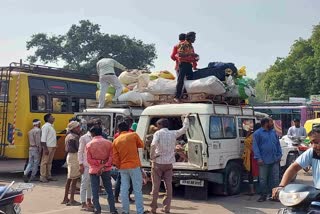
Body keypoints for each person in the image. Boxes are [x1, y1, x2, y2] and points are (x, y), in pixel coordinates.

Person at [149, 114, 190, 214]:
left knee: (156, 187)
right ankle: (166, 208)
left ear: (160, 125)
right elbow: (184, 129)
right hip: (169, 164)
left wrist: (152, 156)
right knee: (169, 187)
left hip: (158, 163)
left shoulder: (158, 134)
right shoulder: (173, 133)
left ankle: (153, 209)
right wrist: (186, 118)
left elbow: (153, 144)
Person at [272, 128, 320, 199]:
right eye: (311, 143)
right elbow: (294, 167)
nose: (313, 146)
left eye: (316, 142)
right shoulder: (312, 152)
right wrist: (281, 186)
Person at [113, 122, 148, 214]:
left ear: (119, 130)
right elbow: (141, 145)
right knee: (137, 190)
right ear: (128, 128)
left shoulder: (116, 141)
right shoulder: (133, 135)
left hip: (123, 167)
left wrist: (119, 166)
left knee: (124, 189)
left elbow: (115, 158)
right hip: (134, 165)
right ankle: (140, 211)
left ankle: (125, 211)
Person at [86, 126, 117, 214]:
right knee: (109, 190)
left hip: (94, 170)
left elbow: (89, 160)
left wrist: (99, 163)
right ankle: (112, 209)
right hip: (106, 169)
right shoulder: (108, 143)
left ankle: (97, 209)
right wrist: (104, 165)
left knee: (94, 190)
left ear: (93, 133)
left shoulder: (89, 144)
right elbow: (111, 157)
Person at [253, 118, 282, 202]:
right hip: (263, 161)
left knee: (275, 179)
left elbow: (278, 144)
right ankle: (263, 195)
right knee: (263, 179)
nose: (272, 123)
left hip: (274, 160)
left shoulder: (273, 132)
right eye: (271, 122)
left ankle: (274, 196)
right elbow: (255, 147)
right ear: (266, 123)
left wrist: (279, 155)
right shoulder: (257, 133)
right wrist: (259, 158)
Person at [113, 117, 134, 203]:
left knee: (120, 179)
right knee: (131, 180)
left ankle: (116, 197)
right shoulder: (132, 133)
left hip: (120, 160)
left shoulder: (117, 134)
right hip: (130, 159)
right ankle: (127, 196)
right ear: (130, 124)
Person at [174, 32, 199, 103]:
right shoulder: (183, 44)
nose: (195, 39)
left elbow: (190, 56)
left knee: (190, 80)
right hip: (183, 64)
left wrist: (194, 57)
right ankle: (177, 96)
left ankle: (185, 95)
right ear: (189, 37)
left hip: (188, 64)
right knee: (180, 80)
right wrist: (190, 54)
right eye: (193, 37)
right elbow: (180, 54)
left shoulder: (191, 46)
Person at [61, 121, 82, 206]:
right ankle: (72, 199)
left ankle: (66, 198)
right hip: (74, 157)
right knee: (74, 179)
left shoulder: (68, 136)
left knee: (69, 179)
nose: (79, 129)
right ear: (73, 128)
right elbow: (79, 149)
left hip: (69, 156)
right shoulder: (75, 137)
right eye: (77, 127)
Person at [78, 120, 94, 211]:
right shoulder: (84, 138)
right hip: (86, 164)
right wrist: (80, 164)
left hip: (93, 165)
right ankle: (83, 202)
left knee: (90, 185)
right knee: (84, 184)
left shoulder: (95, 137)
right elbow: (80, 152)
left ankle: (89, 201)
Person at [242, 123, 261, 195]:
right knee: (261, 174)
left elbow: (246, 142)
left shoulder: (253, 135)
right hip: (260, 156)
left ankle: (252, 190)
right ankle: (260, 190)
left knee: (251, 174)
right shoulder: (262, 135)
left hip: (252, 156)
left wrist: (248, 133)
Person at [40, 113, 57, 183]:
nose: (53, 118)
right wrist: (45, 148)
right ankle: (42, 177)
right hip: (48, 147)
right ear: (48, 119)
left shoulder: (51, 126)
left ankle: (48, 176)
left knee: (49, 162)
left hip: (52, 146)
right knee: (44, 162)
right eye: (51, 117)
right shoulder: (45, 126)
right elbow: (43, 139)